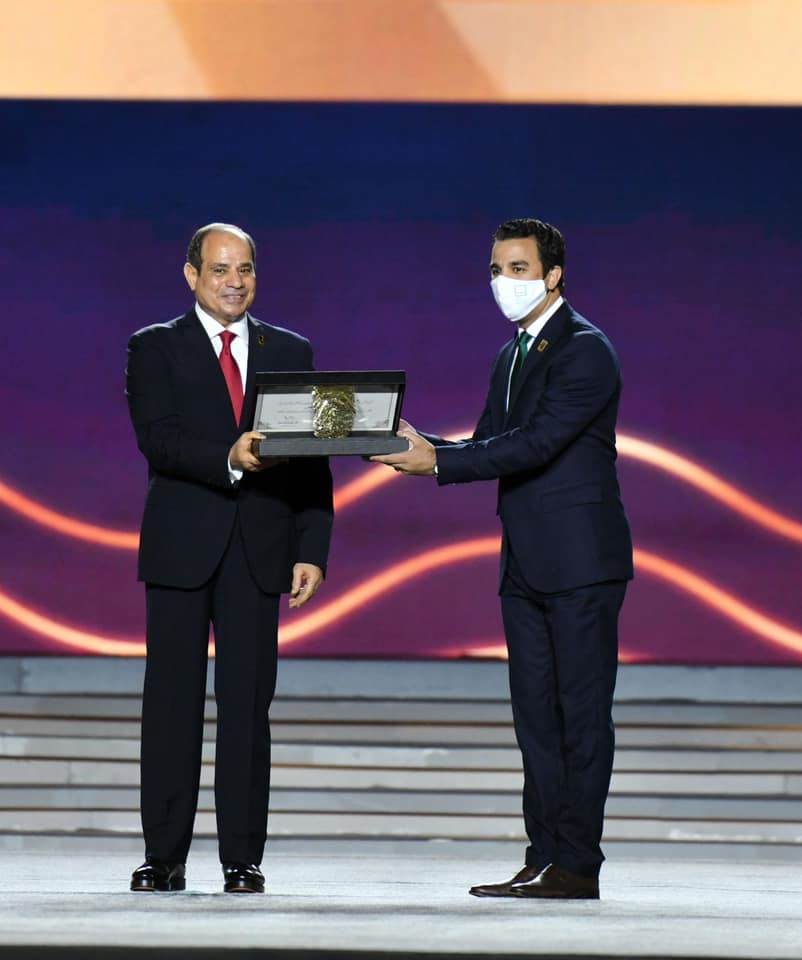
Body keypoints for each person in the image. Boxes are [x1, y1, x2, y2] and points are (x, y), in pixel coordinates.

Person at [372, 218, 633, 900]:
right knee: (535, 719)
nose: (503, 282)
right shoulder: (509, 355)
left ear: (553, 275)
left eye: (518, 269)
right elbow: (490, 440)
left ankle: (577, 864)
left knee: (580, 717)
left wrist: (436, 464)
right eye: (495, 270)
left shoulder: (585, 350)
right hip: (524, 562)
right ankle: (542, 856)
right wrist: (418, 444)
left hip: (580, 563)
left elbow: (537, 444)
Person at [125, 223, 333, 894]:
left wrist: (312, 545)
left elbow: (312, 457)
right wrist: (230, 456)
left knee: (246, 710)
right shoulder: (154, 347)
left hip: (259, 550)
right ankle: (164, 857)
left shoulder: (290, 351)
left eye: (244, 269)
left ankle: (242, 858)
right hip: (181, 548)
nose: (234, 281)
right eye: (219, 269)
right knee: (172, 707)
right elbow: (158, 440)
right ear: (192, 275)